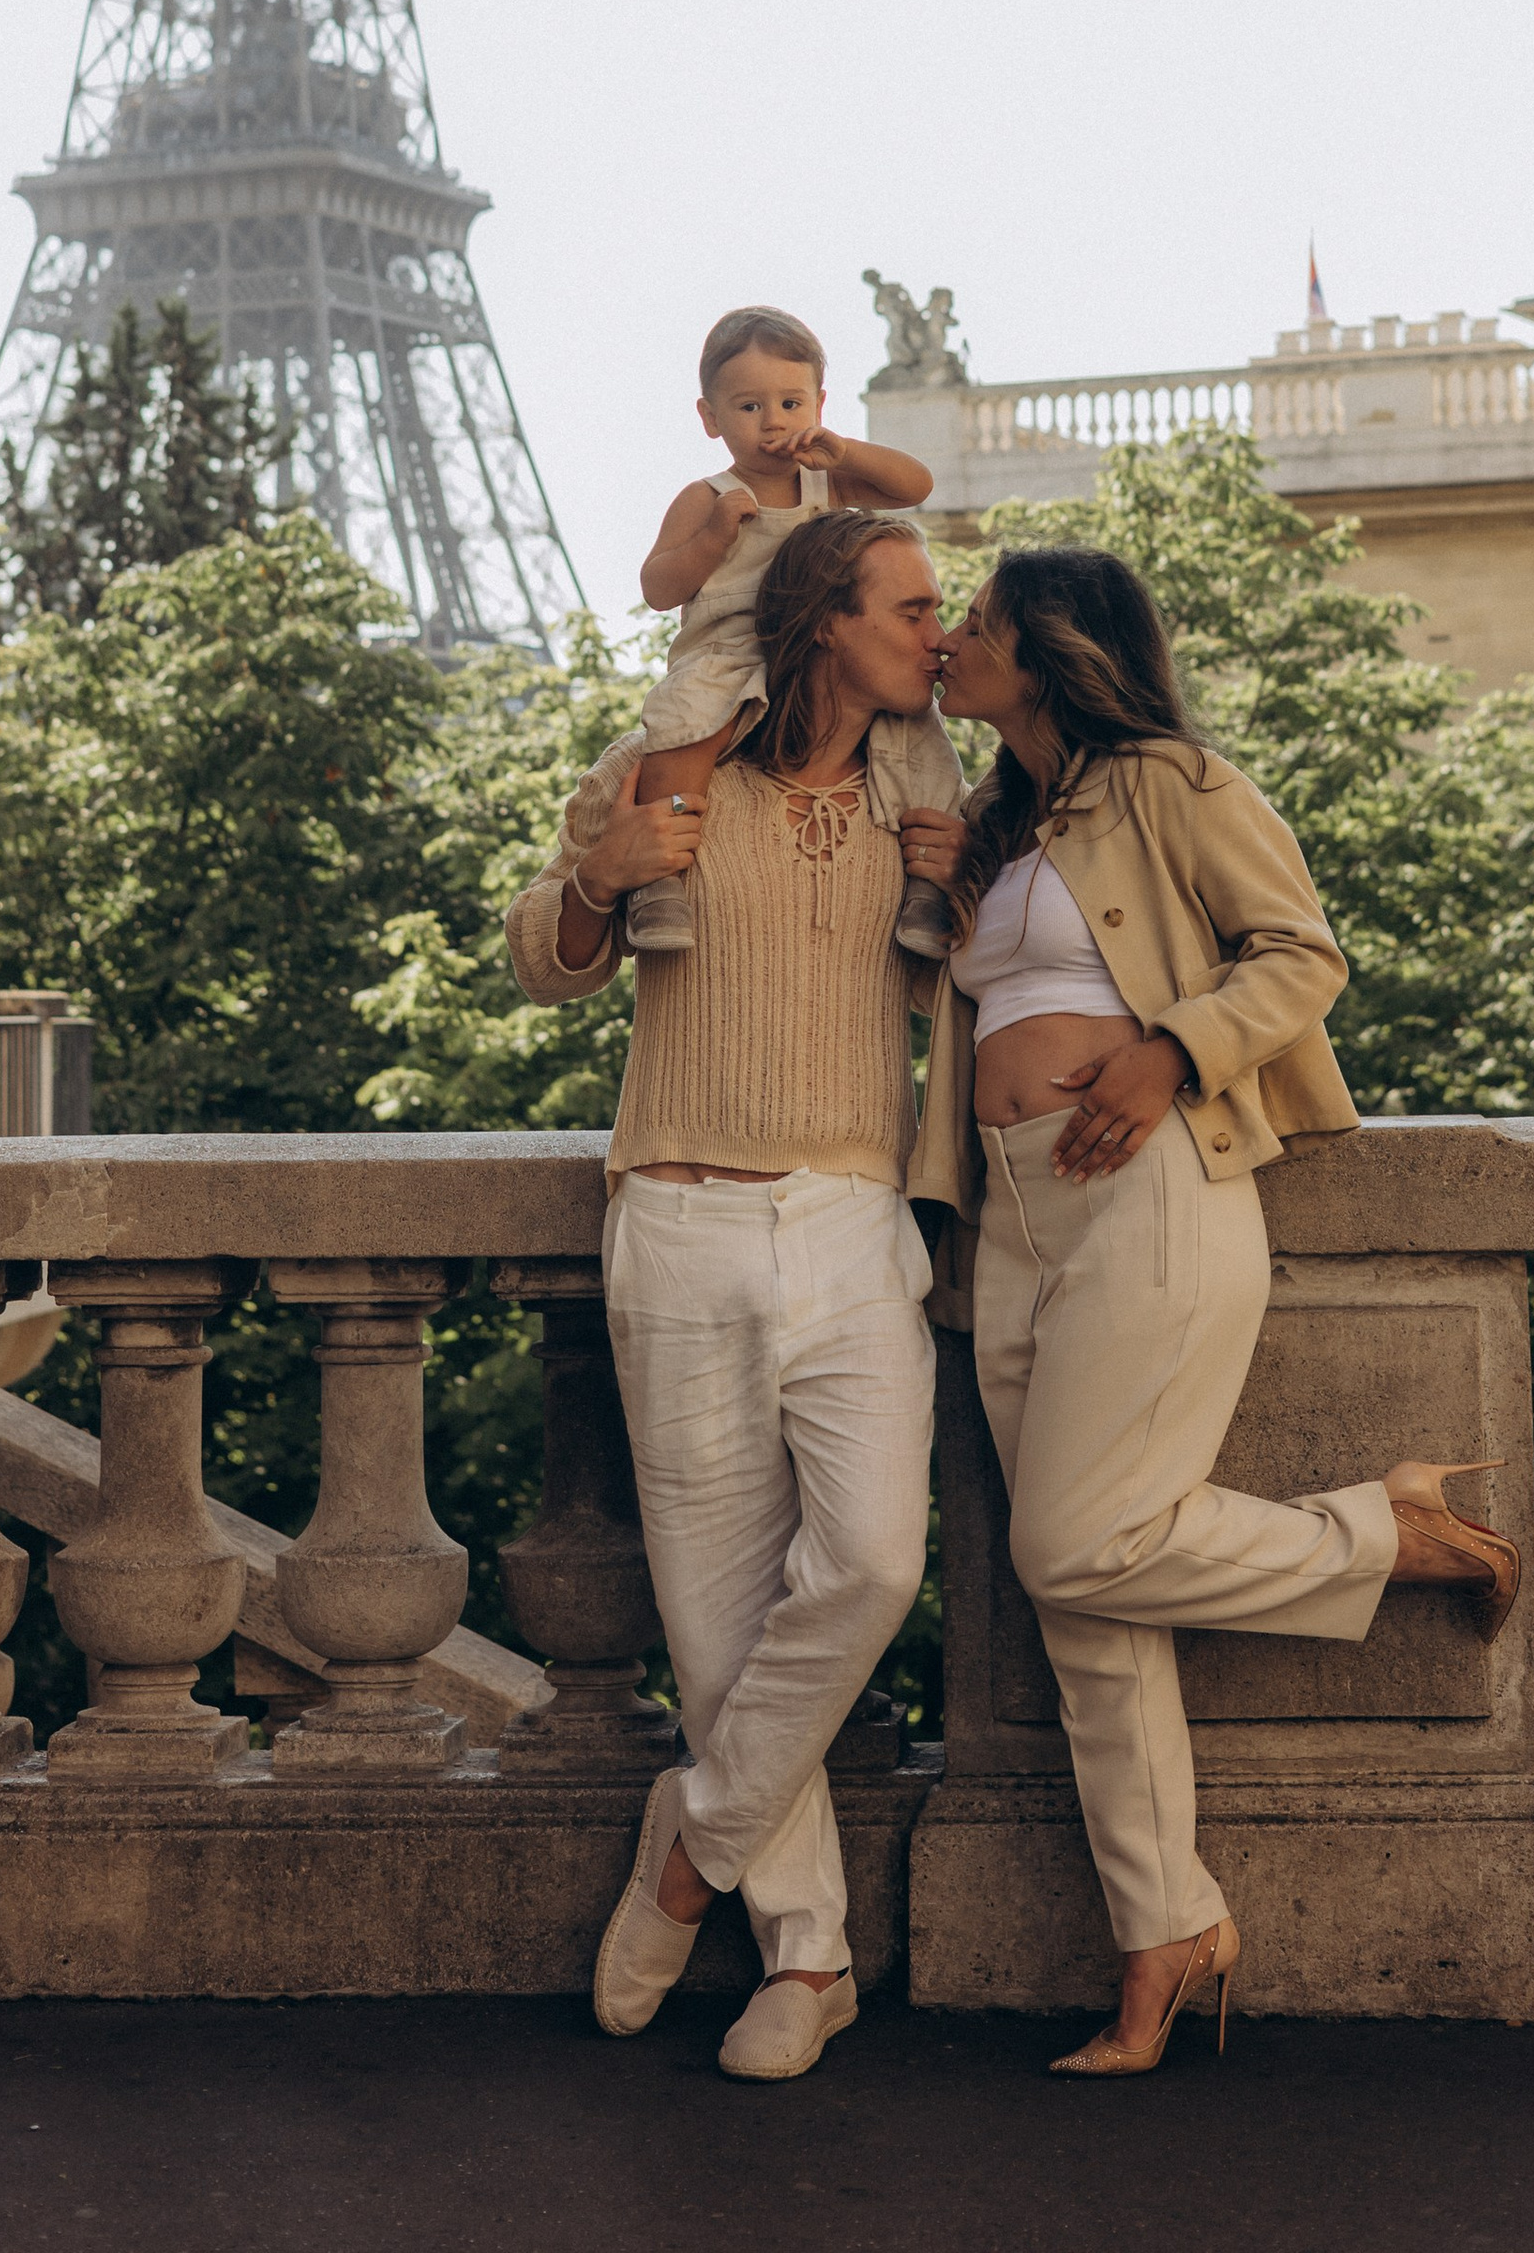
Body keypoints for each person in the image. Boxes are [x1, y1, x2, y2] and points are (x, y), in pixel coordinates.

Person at [916, 544, 1519, 2080]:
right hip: (1010, 1216)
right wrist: (937, 879)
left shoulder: (1174, 783)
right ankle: (1164, 1937)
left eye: (976, 622)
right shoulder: (997, 817)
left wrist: (1172, 1051)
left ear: (1050, 648)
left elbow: (1302, 953)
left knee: (1071, 1545)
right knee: (1089, 1616)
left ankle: (1388, 1535)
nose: (951, 640)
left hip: (1154, 1190)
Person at [504, 508, 967, 2084]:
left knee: (874, 1564)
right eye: (913, 607)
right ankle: (808, 1956)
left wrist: (971, 896)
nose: (939, 631)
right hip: (682, 1218)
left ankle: (688, 1851)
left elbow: (991, 986)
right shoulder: (671, 772)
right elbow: (539, 957)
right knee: (718, 1621)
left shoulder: (929, 798)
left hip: (852, 1218)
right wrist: (599, 873)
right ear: (826, 617)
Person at [623, 305, 962, 960]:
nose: (773, 421)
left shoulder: (824, 480)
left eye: (790, 403)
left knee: (916, 734)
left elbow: (916, 485)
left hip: (813, 654)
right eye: (750, 407)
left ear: (819, 404)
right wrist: (713, 537)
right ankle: (661, 875)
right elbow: (658, 588)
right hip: (729, 651)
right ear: (710, 417)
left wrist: (846, 449)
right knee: (684, 720)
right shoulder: (707, 496)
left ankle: (925, 883)